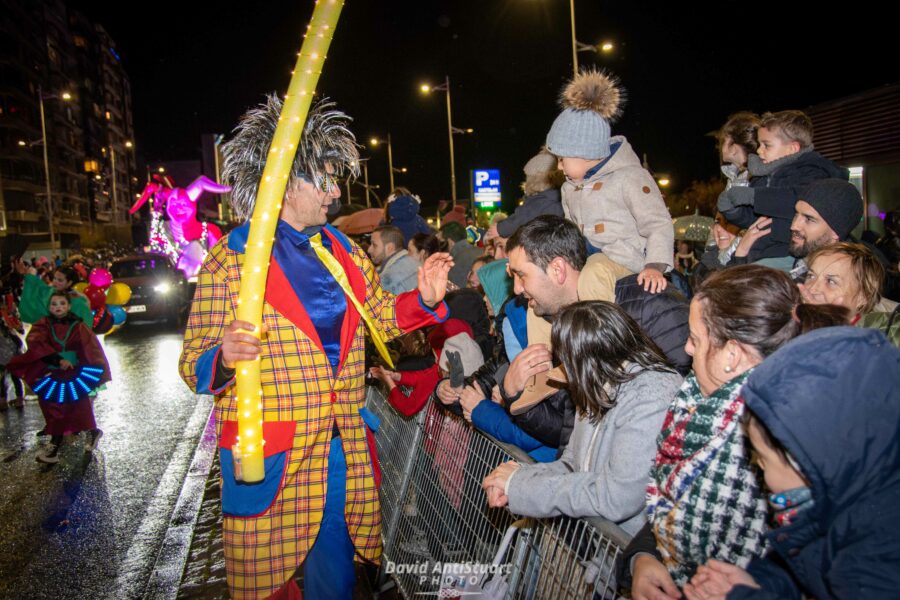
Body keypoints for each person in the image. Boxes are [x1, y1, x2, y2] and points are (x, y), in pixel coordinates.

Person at [179, 96, 452, 600]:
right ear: (286, 183)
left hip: (340, 442)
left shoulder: (342, 250)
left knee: (337, 571)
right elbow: (192, 362)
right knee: (268, 581)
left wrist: (424, 300)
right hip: (271, 450)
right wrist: (223, 355)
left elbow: (380, 316)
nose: (334, 191)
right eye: (323, 180)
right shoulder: (232, 259)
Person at [620, 265, 847, 600]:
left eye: (696, 339)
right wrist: (644, 558)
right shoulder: (700, 406)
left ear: (732, 355)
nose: (686, 349)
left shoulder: (771, 436)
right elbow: (673, 511)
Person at [684, 327, 900, 600]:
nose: (759, 470)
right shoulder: (839, 502)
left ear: (807, 464)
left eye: (763, 460)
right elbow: (804, 569)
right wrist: (757, 582)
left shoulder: (876, 556)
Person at [481, 301, 682, 534]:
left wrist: (521, 486)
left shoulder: (652, 394)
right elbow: (572, 464)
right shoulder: (599, 383)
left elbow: (617, 496)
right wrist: (518, 478)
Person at [545, 70, 674, 291]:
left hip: (626, 260)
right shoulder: (569, 188)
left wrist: (655, 265)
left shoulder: (630, 176)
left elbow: (657, 224)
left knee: (595, 272)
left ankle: (595, 326)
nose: (559, 166)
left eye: (561, 158)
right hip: (587, 257)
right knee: (549, 281)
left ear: (583, 152)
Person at [718, 111, 847, 268]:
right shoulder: (763, 177)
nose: (759, 150)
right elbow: (754, 219)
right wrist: (733, 212)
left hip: (789, 254)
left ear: (792, 148)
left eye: (767, 145)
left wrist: (753, 197)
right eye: (759, 144)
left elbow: (797, 199)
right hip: (761, 252)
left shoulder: (812, 172)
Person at [7, 292, 109, 463]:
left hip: (74, 375)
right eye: (54, 304)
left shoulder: (78, 325)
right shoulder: (42, 325)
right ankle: (54, 447)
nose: (58, 307)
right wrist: (57, 359)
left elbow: (89, 347)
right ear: (49, 307)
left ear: (68, 306)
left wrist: (85, 365)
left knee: (79, 406)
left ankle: (91, 432)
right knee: (53, 408)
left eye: (62, 303)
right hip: (52, 374)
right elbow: (37, 345)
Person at [800, 242, 899, 345]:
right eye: (811, 276)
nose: (812, 289)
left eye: (831, 281)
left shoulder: (883, 339)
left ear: (863, 297)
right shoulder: (790, 322)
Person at [487, 149, 565, 242]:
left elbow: (520, 218)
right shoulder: (556, 197)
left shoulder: (539, 201)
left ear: (534, 180)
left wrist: (499, 229)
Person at [16, 264, 92, 326]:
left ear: (69, 283)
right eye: (54, 278)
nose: (55, 282)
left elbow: (84, 328)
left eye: (60, 280)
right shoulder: (50, 291)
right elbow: (39, 287)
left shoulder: (79, 302)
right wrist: (28, 277)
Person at [368, 224, 420, 295]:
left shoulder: (386, 280)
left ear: (390, 248)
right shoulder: (416, 263)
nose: (369, 250)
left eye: (374, 245)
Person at [439, 221, 484, 289]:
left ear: (450, 242)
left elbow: (454, 295)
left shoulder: (454, 263)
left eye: (440, 241)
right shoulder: (481, 251)